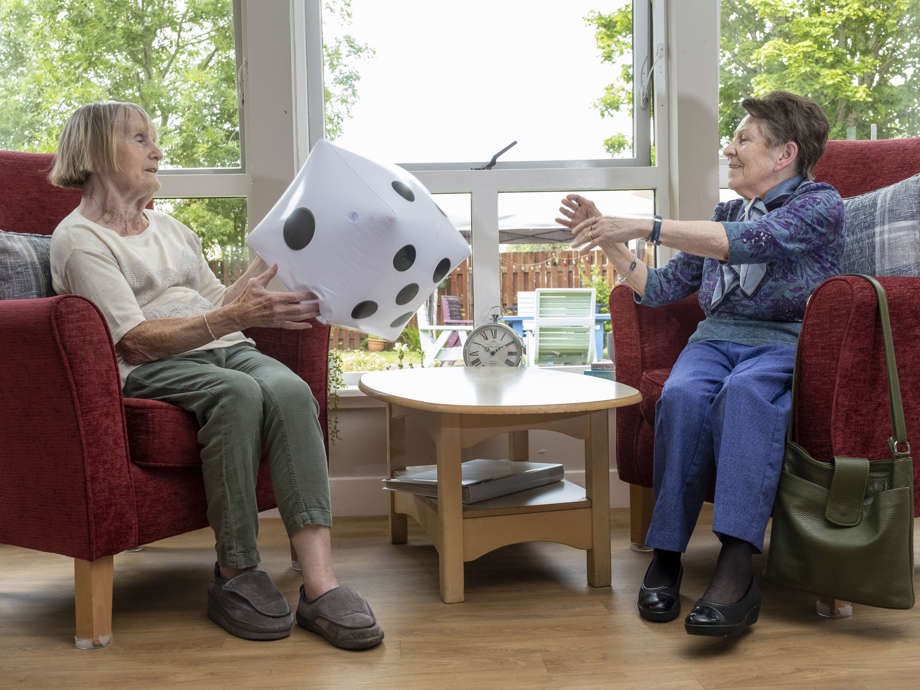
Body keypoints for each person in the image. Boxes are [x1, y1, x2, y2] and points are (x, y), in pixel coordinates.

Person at [48, 101, 383, 650]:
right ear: (95, 153)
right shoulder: (81, 239)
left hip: (222, 347)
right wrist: (231, 315)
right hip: (151, 366)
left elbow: (218, 304)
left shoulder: (173, 230)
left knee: (289, 390)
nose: (156, 150)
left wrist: (260, 275)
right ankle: (236, 573)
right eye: (139, 139)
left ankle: (321, 585)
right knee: (237, 395)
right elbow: (132, 340)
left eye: (153, 138)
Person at [556, 91, 843, 636]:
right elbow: (659, 288)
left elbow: (749, 243)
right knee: (682, 395)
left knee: (746, 396)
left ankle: (737, 564)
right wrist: (608, 238)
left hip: (781, 342)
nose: (730, 149)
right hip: (711, 341)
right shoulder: (725, 212)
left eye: (743, 139)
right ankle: (666, 555)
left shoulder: (819, 204)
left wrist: (644, 224)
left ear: (784, 154)